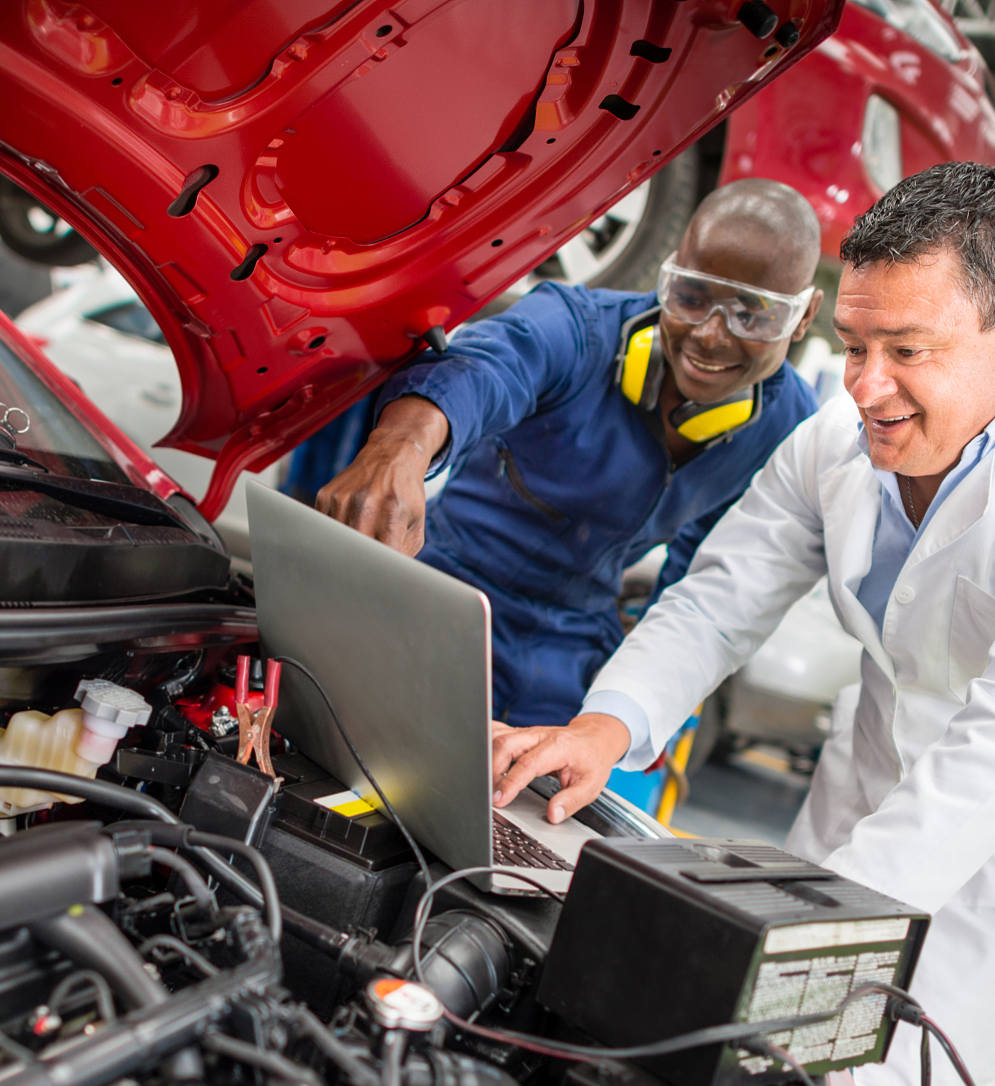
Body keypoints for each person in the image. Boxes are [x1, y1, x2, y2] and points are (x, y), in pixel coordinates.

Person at [487, 162, 995, 1086]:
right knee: (750, 1061)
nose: (866, 387)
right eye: (855, 344)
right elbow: (721, 599)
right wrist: (604, 726)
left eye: (906, 350)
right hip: (866, 786)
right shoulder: (836, 443)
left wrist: (809, 924)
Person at [314, 180, 825, 725]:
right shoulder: (576, 327)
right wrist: (401, 448)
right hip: (442, 593)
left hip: (573, 649)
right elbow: (484, 368)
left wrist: (649, 693)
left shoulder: (788, 429)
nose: (711, 336)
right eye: (692, 298)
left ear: (805, 315)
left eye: (752, 314)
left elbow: (703, 574)